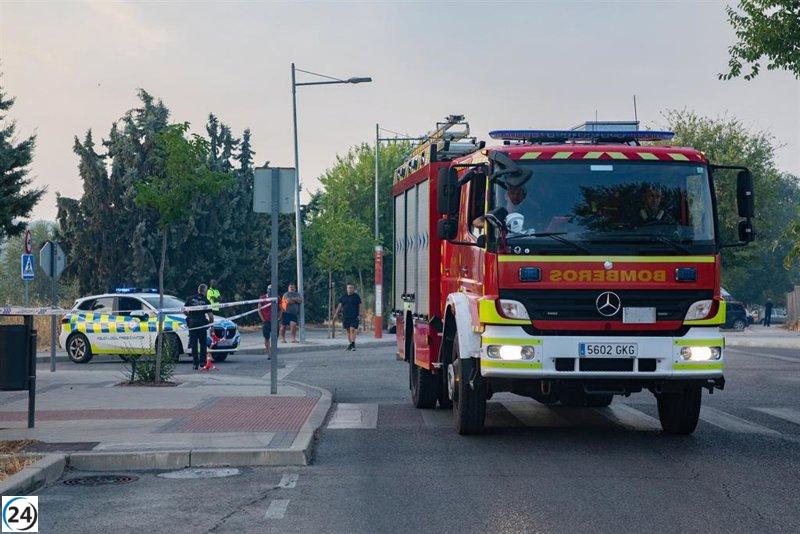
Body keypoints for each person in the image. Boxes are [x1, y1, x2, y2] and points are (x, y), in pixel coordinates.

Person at [184, 283, 213, 370]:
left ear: (198, 290)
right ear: (205, 291)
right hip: (202, 324)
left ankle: (195, 364)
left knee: (194, 344)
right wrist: (210, 324)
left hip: (192, 324)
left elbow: (184, 310)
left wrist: (189, 316)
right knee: (203, 344)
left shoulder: (190, 299)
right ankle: (202, 363)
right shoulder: (206, 300)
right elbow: (211, 316)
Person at [334, 283, 362, 351]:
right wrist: (336, 314)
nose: (350, 289)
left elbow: (360, 306)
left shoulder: (356, 296)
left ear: (353, 289)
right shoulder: (343, 297)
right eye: (349, 288)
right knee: (348, 331)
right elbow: (340, 306)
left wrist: (360, 315)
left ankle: (353, 345)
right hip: (346, 317)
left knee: (352, 329)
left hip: (354, 316)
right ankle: (350, 345)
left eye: (351, 288)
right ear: (347, 289)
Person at [258, 285, 273, 359]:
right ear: (267, 290)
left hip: (274, 321)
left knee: (275, 337)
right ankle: (269, 353)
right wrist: (262, 319)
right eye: (270, 289)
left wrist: (278, 318)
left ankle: (273, 352)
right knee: (267, 337)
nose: (271, 291)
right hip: (266, 321)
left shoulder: (277, 298)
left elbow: (281, 309)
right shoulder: (262, 297)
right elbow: (259, 309)